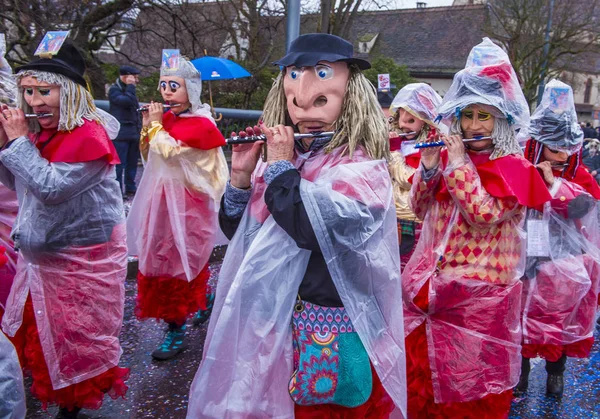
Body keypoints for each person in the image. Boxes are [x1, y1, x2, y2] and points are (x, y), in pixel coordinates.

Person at [186, 33, 407, 419]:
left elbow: (308, 227)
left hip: (325, 326)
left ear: (349, 99)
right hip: (269, 321)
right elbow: (240, 235)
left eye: (322, 100)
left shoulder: (362, 170)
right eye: (295, 101)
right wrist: (240, 177)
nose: (306, 111)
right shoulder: (285, 161)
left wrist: (280, 167)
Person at [402, 38, 551, 418]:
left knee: (467, 393)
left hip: (477, 303)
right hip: (432, 294)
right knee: (425, 390)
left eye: (483, 116)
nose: (472, 125)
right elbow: (419, 209)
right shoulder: (453, 158)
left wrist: (456, 166)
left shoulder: (517, 169)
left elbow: (481, 213)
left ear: (500, 120)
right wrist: (430, 168)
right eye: (467, 115)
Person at [0, 39, 128, 419]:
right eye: (28, 92)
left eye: (45, 91)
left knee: (75, 342)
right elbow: (17, 181)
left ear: (69, 92)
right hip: (43, 259)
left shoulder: (90, 136)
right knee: (46, 339)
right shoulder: (41, 132)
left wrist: (20, 141)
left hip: (81, 260)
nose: (35, 101)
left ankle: (72, 407)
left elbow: (51, 187)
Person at [127, 55, 228, 361]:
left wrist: (156, 127)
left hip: (188, 207)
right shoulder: (169, 119)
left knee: (182, 262)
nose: (167, 92)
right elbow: (152, 156)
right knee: (158, 258)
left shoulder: (201, 125)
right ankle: (203, 300)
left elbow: (172, 154)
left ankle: (176, 329)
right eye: (164, 86)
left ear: (191, 90)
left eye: (174, 86)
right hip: (161, 203)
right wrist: (149, 127)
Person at [517, 79, 600, 396]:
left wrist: (554, 187)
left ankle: (555, 373)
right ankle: (521, 374)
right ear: (538, 145)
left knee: (558, 319)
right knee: (522, 316)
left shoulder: (578, 173)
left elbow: (585, 207)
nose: (562, 155)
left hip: (564, 259)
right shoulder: (523, 166)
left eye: (568, 148)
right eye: (555, 148)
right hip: (526, 255)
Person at [388, 83, 441, 269]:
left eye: (411, 121)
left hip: (413, 219)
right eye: (401, 120)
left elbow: (410, 179)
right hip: (395, 216)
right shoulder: (401, 142)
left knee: (409, 268)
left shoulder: (429, 147)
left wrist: (393, 152)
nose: (403, 125)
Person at [109, 65, 141, 197]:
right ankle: (117, 189)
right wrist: (130, 87)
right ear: (126, 77)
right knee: (119, 164)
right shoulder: (114, 90)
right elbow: (126, 102)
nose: (136, 81)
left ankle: (130, 187)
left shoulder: (130, 90)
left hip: (133, 131)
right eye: (134, 77)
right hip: (121, 133)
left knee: (132, 163)